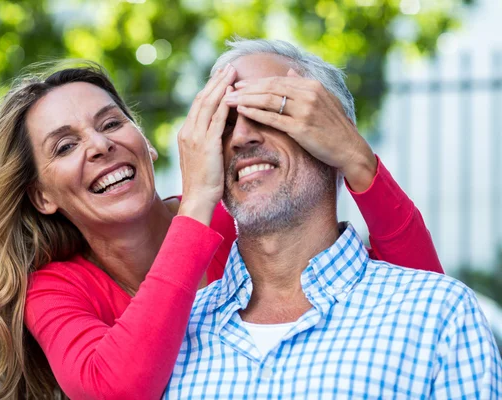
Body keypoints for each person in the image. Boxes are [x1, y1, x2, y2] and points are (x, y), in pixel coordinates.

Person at [0, 54, 443, 399]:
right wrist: (199, 201)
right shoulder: (54, 287)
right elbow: (117, 389)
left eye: (110, 124)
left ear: (145, 143)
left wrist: (356, 158)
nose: (99, 146)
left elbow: (416, 294)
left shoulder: (241, 225)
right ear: (41, 196)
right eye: (64, 147)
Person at [164, 39, 502, 399]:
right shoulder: (169, 337)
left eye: (269, 110)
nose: (242, 136)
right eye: (222, 122)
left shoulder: (440, 315)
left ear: (333, 137)